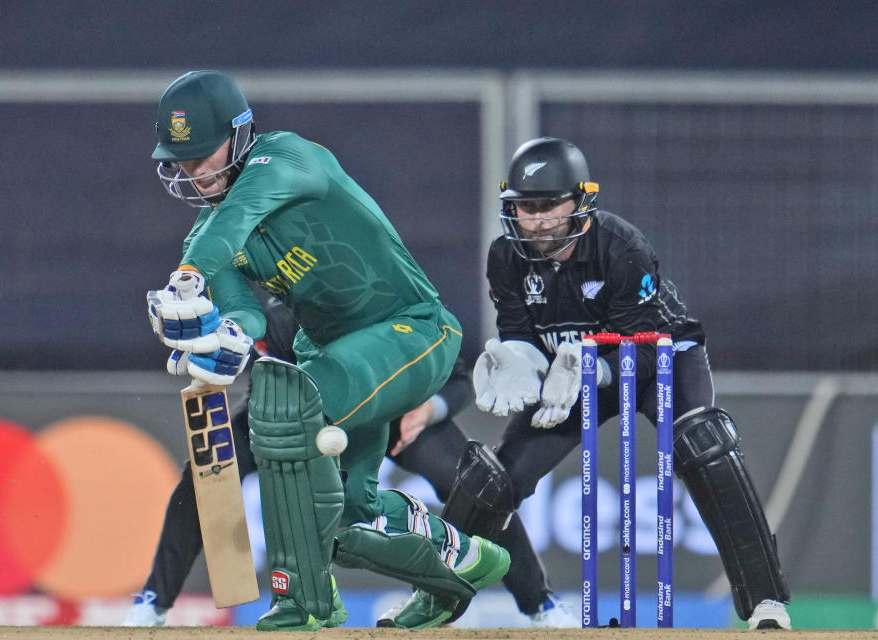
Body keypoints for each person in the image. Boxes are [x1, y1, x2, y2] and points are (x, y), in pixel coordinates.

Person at [141, 70, 510, 631]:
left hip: (412, 329)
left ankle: (302, 605)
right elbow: (243, 311)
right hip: (337, 355)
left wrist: (186, 277)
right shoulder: (208, 238)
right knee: (344, 522)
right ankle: (466, 560)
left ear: (240, 135)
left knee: (284, 411)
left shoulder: (287, 158)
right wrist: (224, 342)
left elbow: (236, 218)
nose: (193, 172)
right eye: (182, 161)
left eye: (202, 155)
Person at [385, 137, 792, 631]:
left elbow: (644, 350)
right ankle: (434, 602)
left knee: (703, 445)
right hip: (565, 376)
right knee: (493, 479)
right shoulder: (506, 257)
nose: (536, 221)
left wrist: (593, 370)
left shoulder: (622, 247)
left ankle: (766, 603)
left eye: (548, 206)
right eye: (525, 207)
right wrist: (519, 360)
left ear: (580, 201)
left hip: (657, 357)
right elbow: (521, 335)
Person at [125, 288, 578, 628]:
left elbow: (456, 378)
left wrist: (427, 409)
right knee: (209, 472)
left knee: (484, 487)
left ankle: (540, 603)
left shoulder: (394, 303)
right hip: (302, 415)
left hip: (399, 410)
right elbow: (263, 378)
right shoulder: (281, 319)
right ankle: (153, 602)